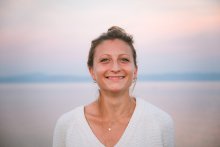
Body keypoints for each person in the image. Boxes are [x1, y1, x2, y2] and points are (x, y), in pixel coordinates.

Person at [53, 26, 174, 147]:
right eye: (105, 60)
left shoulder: (161, 123)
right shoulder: (67, 125)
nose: (115, 68)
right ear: (92, 71)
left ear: (135, 71)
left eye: (124, 59)